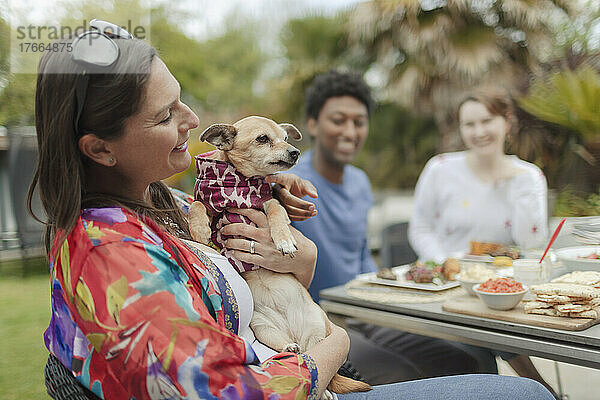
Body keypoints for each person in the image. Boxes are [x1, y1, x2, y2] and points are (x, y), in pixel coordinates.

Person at [33, 20, 554, 400]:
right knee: (518, 394)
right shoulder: (110, 255)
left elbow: (277, 263)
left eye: (182, 99)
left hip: (293, 342)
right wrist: (336, 345)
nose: (192, 119)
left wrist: (295, 255)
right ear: (100, 149)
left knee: (481, 369)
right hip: (302, 368)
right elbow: (230, 391)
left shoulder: (162, 203)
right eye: (166, 114)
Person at [288, 70, 504, 385]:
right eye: (338, 120)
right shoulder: (289, 182)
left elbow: (361, 256)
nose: (350, 131)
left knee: (468, 359)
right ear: (312, 125)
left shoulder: (360, 182)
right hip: (319, 322)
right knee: (399, 373)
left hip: (367, 312)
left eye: (359, 122)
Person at [408, 89, 556, 396]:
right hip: (449, 288)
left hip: (503, 289)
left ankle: (536, 390)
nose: (478, 132)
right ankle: (541, 389)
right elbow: (420, 228)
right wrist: (446, 263)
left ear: (507, 122)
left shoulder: (528, 176)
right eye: (469, 124)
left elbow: (532, 241)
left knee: (493, 332)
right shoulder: (440, 168)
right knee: (486, 338)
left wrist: (517, 185)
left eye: (487, 121)